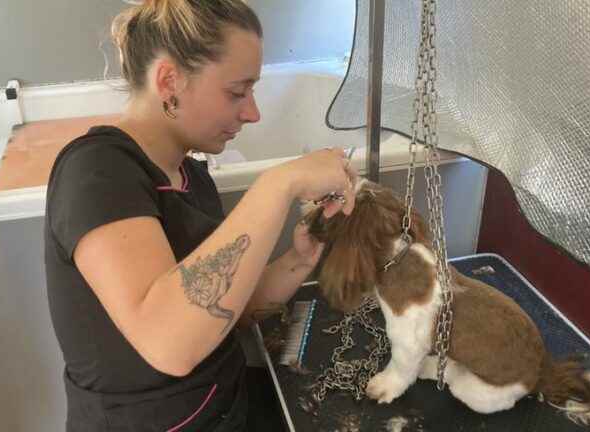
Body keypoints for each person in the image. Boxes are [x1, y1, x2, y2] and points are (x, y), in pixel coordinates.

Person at [43, 1, 356, 430]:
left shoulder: (192, 175)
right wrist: (277, 184)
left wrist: (300, 258)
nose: (252, 112)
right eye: (237, 92)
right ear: (170, 81)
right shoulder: (97, 170)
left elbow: (225, 312)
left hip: (222, 406)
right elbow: (168, 342)